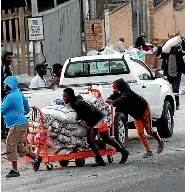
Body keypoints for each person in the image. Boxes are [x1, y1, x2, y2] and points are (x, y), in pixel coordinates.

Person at [63, 88, 129, 166]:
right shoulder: (75, 101)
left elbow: (90, 111)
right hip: (96, 120)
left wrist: (90, 126)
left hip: (97, 120)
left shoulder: (78, 103)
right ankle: (108, 157)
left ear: (70, 96)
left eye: (65, 96)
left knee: (95, 139)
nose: (63, 98)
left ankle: (107, 157)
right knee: (104, 139)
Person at [106, 78, 164, 158]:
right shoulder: (118, 93)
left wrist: (113, 102)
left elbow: (122, 98)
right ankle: (148, 151)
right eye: (114, 88)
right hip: (136, 115)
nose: (114, 89)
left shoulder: (127, 91)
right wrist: (108, 99)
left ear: (120, 87)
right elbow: (113, 97)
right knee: (140, 133)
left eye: (115, 87)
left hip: (144, 110)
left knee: (149, 131)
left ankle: (160, 141)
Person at [1, 76, 42, 178]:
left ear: (10, 85)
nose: (4, 85)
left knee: (10, 145)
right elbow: (26, 103)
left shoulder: (10, 97)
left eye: (6, 84)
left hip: (17, 125)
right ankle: (36, 158)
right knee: (18, 146)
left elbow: (2, 110)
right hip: (21, 123)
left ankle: (15, 170)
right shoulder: (18, 93)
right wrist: (26, 111)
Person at [1, 50, 13, 139]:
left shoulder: (7, 67)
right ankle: (4, 132)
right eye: (8, 58)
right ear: (4, 58)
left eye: (11, 58)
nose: (10, 59)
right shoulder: (4, 67)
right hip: (5, 94)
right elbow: (5, 83)